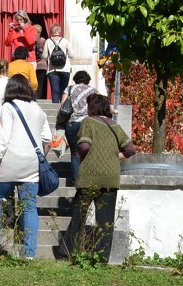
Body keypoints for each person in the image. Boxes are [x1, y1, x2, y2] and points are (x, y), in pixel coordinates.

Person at [55, 92, 135, 261]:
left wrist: (81, 156)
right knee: (105, 222)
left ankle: (66, 253)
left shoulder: (88, 122)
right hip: (110, 178)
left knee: (79, 215)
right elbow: (130, 150)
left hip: (90, 177)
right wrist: (114, 156)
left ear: (92, 107)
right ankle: (101, 258)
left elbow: (84, 145)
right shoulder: (115, 126)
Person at [0, 74, 52, 259]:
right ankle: (28, 253)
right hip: (31, 164)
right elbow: (47, 139)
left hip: (10, 162)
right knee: (29, 207)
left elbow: (3, 138)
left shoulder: (8, 106)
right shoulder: (38, 109)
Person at [58, 70, 94, 184]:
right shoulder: (92, 90)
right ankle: (87, 179)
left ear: (76, 79)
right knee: (88, 151)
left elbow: (62, 107)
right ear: (87, 80)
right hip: (87, 124)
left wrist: (59, 123)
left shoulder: (69, 89)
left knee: (75, 153)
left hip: (71, 123)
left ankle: (75, 181)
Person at [44, 23, 71, 103]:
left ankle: (55, 112)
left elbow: (45, 56)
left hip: (52, 70)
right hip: (65, 69)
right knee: (64, 91)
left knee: (55, 91)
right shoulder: (65, 41)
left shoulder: (48, 41)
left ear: (51, 31)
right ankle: (63, 111)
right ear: (59, 31)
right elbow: (72, 55)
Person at [32, 24, 48, 100]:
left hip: (32, 63)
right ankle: (39, 99)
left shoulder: (31, 39)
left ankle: (32, 98)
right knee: (40, 84)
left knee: (32, 83)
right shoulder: (43, 40)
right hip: (43, 64)